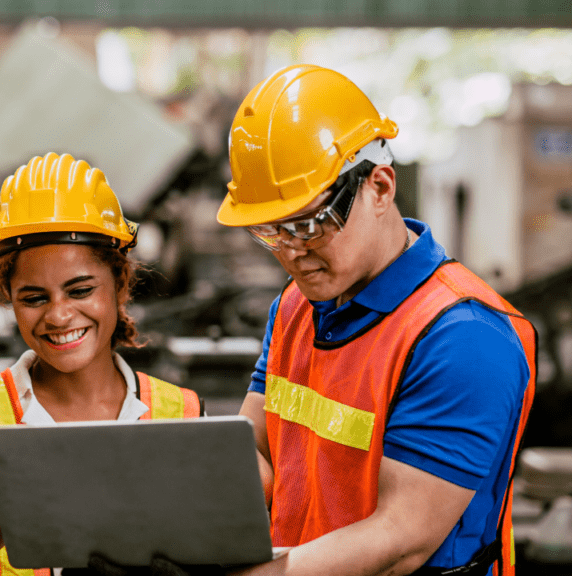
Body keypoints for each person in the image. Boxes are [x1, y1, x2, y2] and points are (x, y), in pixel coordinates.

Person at [213, 64, 536, 575]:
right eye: (271, 232)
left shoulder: (464, 338)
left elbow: (399, 541)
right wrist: (179, 527)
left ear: (380, 187)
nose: (293, 253)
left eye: (310, 224)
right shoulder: (297, 305)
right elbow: (257, 450)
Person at [0, 152, 204, 576]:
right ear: (7, 296)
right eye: (34, 298)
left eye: (80, 291)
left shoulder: (185, 413)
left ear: (119, 285)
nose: (59, 316)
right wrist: (34, 488)